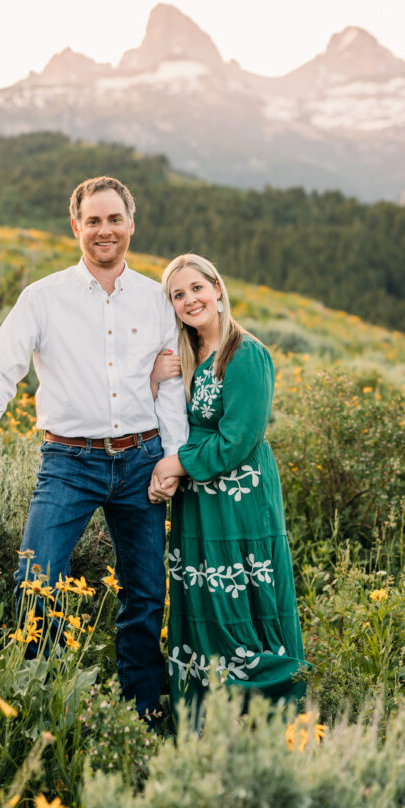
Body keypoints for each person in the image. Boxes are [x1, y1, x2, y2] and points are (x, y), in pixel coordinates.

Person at [0, 176, 188, 719]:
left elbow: (173, 384)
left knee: (146, 592)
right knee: (36, 581)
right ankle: (47, 700)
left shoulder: (158, 299)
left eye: (114, 220)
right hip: (69, 462)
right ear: (75, 226)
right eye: (93, 221)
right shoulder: (42, 298)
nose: (103, 230)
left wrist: (173, 457)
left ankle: (139, 711)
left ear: (131, 224)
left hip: (142, 461)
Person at [148, 254, 306, 719]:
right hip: (198, 502)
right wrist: (157, 384)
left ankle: (268, 715)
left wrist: (175, 463)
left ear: (217, 288)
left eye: (197, 288)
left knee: (239, 603)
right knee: (202, 600)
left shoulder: (246, 354)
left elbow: (238, 439)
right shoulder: (186, 356)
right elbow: (175, 423)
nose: (190, 299)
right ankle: (202, 723)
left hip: (241, 500)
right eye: (179, 295)